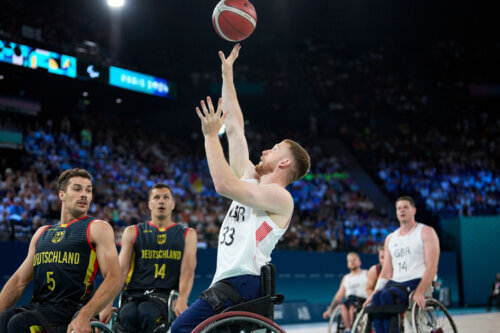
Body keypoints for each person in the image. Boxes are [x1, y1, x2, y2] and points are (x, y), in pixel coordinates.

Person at [171, 44, 310, 333]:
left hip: (243, 283)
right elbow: (235, 127)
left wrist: (210, 137)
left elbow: (223, 185)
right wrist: (227, 74)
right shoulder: (250, 178)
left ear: (284, 163)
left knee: (181, 330)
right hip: (229, 281)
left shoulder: (280, 198)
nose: (264, 151)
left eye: (272, 150)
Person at [0, 168, 121, 333]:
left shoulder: (97, 228)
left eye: (89, 190)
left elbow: (114, 278)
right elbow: (19, 281)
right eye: (77, 189)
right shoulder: (42, 233)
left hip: (71, 312)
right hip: (40, 307)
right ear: (61, 194)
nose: (84, 194)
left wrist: (85, 315)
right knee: (4, 318)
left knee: (19, 324)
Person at [100, 183, 197, 332]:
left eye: (166, 197)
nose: (161, 201)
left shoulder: (187, 234)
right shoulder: (133, 232)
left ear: (173, 204)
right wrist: (107, 304)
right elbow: (121, 272)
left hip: (163, 295)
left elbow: (187, 271)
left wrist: (182, 300)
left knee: (148, 313)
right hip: (134, 295)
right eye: (156, 197)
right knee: (127, 315)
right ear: (149, 204)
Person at [363, 196, 440, 333]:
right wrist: (373, 292)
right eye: (399, 208)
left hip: (417, 281)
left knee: (387, 297)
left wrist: (421, 291)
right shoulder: (390, 238)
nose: (402, 210)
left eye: (405, 207)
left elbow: (432, 266)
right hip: (395, 283)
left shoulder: (426, 232)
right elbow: (386, 272)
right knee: (376, 298)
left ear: (414, 210)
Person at [322, 252, 368, 333]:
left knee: (352, 306)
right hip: (349, 300)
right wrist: (330, 311)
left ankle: (352, 327)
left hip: (362, 301)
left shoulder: (366, 274)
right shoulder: (346, 278)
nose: (352, 262)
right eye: (349, 261)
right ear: (347, 264)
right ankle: (348, 328)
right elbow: (339, 296)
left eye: (354, 260)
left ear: (360, 262)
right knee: (343, 305)